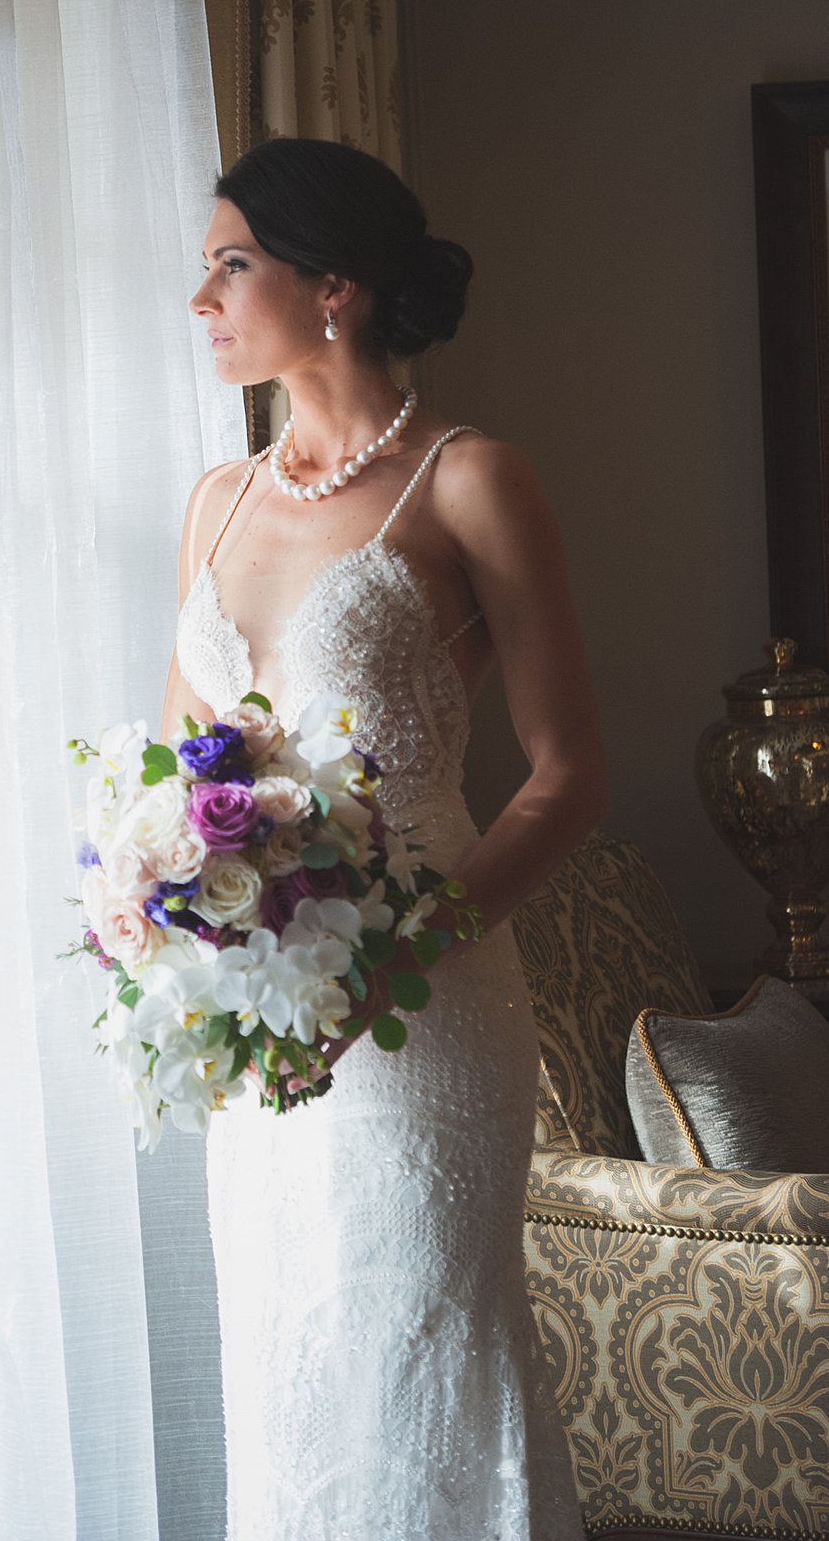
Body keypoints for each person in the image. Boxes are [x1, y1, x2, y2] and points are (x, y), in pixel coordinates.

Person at [160, 138, 605, 1540]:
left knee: (419, 1361)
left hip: (424, 1017)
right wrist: (166, 914)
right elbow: (181, 778)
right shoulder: (215, 504)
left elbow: (569, 774)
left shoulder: (470, 480)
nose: (202, 296)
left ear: (334, 285)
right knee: (290, 1368)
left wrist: (392, 963)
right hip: (263, 1028)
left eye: (234, 262)